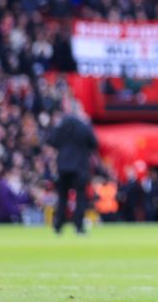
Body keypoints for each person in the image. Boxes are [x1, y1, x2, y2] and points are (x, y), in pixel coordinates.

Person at [46, 97, 98, 235]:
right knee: (80, 197)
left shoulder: (62, 125)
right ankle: (79, 226)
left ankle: (58, 225)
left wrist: (63, 149)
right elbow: (93, 143)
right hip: (80, 166)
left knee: (62, 197)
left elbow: (51, 140)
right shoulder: (83, 125)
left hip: (63, 166)